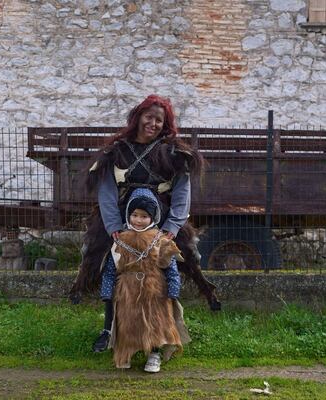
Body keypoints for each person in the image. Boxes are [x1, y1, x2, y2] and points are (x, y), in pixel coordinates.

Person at [68, 94, 221, 350]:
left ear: (165, 123)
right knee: (109, 267)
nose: (153, 123)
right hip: (120, 221)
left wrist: (171, 230)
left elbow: (182, 194)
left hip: (161, 225)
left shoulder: (174, 153)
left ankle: (162, 333)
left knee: (171, 269)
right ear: (138, 117)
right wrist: (113, 229)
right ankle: (108, 331)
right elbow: (106, 192)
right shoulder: (116, 152)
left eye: (159, 120)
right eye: (149, 117)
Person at [100, 188, 189, 372]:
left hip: (155, 290)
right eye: (134, 215)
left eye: (144, 216)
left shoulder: (161, 240)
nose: (138, 220)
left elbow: (171, 268)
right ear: (128, 215)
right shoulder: (120, 241)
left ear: (153, 217)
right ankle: (126, 352)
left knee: (155, 322)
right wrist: (107, 291)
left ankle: (154, 354)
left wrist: (173, 290)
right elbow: (110, 269)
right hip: (127, 291)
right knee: (127, 323)